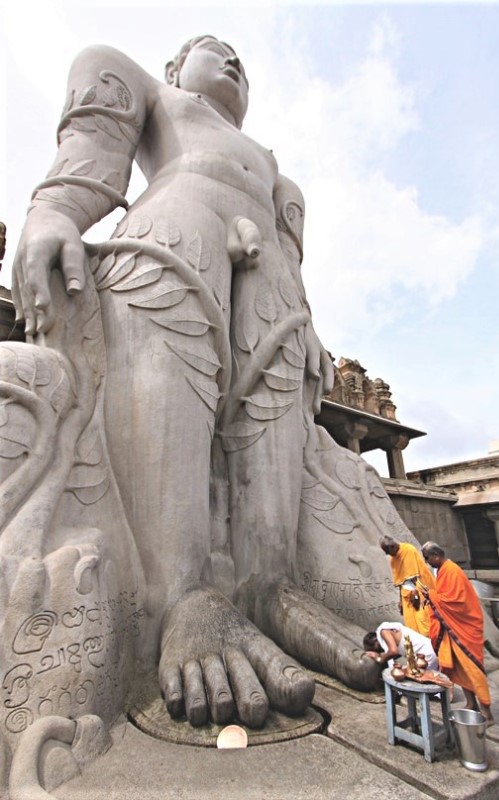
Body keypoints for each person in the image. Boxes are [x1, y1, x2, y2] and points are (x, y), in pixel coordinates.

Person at [10, 35, 388, 730]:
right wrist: (53, 214)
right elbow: (90, 154)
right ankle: (183, 596)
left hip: (272, 282)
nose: (236, 61)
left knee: (275, 413)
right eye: (216, 50)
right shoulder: (151, 93)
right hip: (175, 233)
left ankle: (273, 586)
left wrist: (310, 331)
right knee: (164, 359)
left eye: (244, 57)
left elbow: (296, 267)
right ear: (175, 68)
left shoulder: (275, 171)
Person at [420, 541, 494, 724]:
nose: (428, 563)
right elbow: (444, 597)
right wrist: (432, 595)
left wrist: (431, 595)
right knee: (459, 668)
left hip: (465, 627)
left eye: (429, 559)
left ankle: (487, 713)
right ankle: (471, 703)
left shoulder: (452, 571)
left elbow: (455, 601)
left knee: (472, 669)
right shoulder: (443, 571)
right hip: (453, 627)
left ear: (436, 555)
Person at [380, 535, 435, 636]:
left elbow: (414, 576)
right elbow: (400, 582)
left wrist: (415, 594)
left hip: (419, 591)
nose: (389, 555)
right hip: (406, 594)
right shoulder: (393, 559)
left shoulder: (408, 550)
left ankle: (431, 647)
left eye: (388, 552)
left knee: (424, 623)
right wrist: (400, 600)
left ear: (392, 546)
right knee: (410, 626)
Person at [363, 621, 439, 670]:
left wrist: (380, 659)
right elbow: (397, 652)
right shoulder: (389, 635)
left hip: (425, 654)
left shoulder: (384, 631)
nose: (378, 650)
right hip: (426, 652)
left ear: (375, 640)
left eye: (375, 648)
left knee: (420, 684)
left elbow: (393, 651)